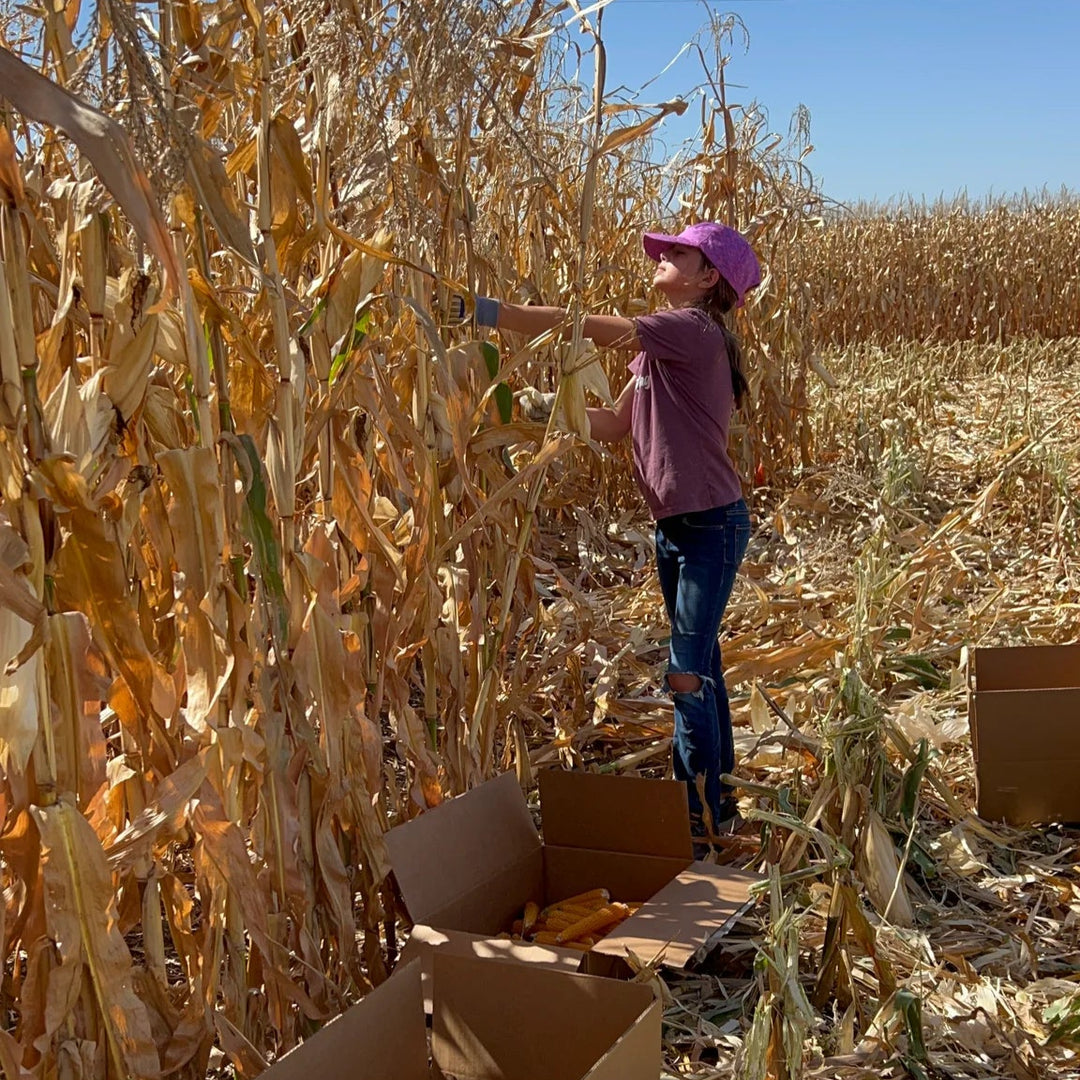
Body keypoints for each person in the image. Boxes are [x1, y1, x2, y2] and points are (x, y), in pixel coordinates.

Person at [466, 222, 761, 849]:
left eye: (679, 253)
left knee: (685, 674)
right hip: (679, 524)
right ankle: (721, 804)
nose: (664, 258)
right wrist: (528, 406)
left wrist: (489, 313)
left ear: (709, 278)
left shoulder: (693, 330)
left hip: (710, 521)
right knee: (701, 663)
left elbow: (578, 325)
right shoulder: (661, 350)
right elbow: (609, 425)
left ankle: (700, 818)